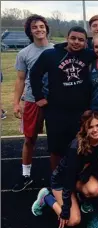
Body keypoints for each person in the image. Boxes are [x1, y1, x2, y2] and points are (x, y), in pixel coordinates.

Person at [30, 26, 98, 173]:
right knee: (56, 149)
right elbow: (34, 73)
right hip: (56, 110)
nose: (77, 42)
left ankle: (76, 179)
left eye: (81, 40)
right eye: (73, 38)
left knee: (80, 146)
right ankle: (56, 181)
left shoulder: (89, 54)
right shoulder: (50, 55)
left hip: (81, 111)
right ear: (67, 38)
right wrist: (38, 96)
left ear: (85, 42)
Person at [31, 111, 98, 228]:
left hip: (78, 177)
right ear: (84, 129)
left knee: (95, 190)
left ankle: (81, 198)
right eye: (90, 127)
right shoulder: (76, 148)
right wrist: (65, 210)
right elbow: (68, 179)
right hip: (62, 181)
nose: (95, 130)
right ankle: (46, 197)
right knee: (72, 221)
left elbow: (94, 161)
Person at [12, 14, 54, 192]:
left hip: (54, 101)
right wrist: (16, 103)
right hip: (32, 101)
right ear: (30, 31)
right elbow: (20, 79)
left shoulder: (57, 49)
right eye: (35, 27)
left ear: (46, 28)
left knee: (56, 139)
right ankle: (26, 175)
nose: (39, 29)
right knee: (30, 139)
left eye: (41, 26)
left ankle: (56, 174)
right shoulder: (24, 53)